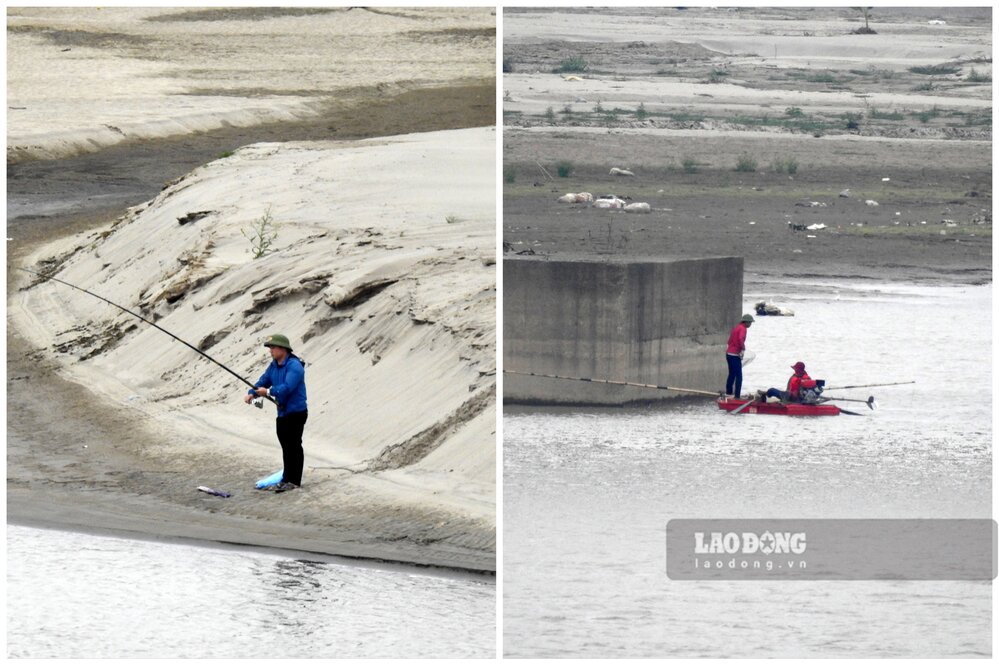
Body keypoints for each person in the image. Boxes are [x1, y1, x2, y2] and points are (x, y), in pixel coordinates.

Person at [245, 333, 308, 493]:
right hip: (283, 413)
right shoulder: (274, 365)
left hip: (296, 413)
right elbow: (263, 380)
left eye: (273, 347)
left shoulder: (294, 366)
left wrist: (267, 391)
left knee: (294, 446)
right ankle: (286, 478)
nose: (270, 351)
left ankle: (294, 481)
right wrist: (253, 392)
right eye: (270, 348)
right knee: (286, 447)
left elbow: (287, 388)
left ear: (283, 349)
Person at [725, 314, 754, 398]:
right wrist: (742, 348)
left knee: (731, 374)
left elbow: (729, 341)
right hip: (734, 356)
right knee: (739, 376)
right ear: (746, 322)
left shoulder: (737, 327)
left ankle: (729, 393)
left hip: (729, 354)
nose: (750, 324)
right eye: (750, 323)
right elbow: (741, 339)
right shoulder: (743, 329)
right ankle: (737, 396)